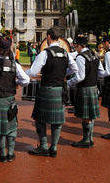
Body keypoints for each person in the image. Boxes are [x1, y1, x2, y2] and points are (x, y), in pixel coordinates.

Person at [26, 27, 78, 158]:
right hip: (60, 89)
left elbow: (32, 71)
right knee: (57, 121)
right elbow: (74, 68)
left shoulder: (45, 53)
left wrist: (19, 74)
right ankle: (53, 148)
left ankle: (43, 146)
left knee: (39, 119)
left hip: (47, 89)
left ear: (48, 36)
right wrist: (62, 74)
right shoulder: (66, 53)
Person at [67, 36, 104, 148]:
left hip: (85, 89)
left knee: (86, 116)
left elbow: (80, 77)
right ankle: (90, 138)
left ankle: (86, 140)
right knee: (90, 116)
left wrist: (68, 83)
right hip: (93, 87)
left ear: (79, 45)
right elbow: (101, 72)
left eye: (75, 46)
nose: (74, 48)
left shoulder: (80, 57)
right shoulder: (95, 55)